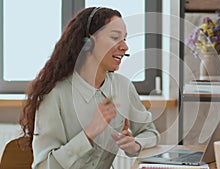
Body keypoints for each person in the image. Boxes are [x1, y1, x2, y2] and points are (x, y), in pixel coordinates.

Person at [19, 7, 160, 169]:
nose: (125, 47)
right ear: (88, 42)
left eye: (125, 39)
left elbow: (151, 133)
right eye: (115, 38)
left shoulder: (123, 86)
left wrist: (135, 144)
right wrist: (89, 133)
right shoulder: (54, 94)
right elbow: (42, 166)